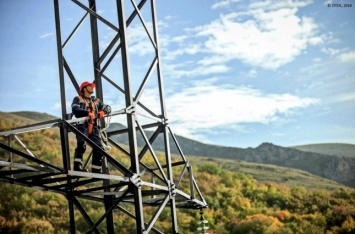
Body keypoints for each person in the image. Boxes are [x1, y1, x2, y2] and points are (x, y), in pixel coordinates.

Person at [71, 81, 111, 173]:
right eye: (90, 86)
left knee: (99, 148)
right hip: (82, 125)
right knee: (81, 145)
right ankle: (78, 168)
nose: (92, 88)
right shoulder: (78, 98)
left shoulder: (96, 101)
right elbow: (75, 109)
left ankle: (96, 170)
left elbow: (108, 107)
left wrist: (103, 112)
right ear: (84, 88)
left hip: (94, 127)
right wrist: (87, 113)